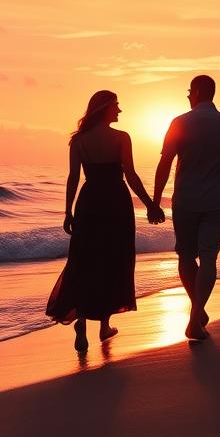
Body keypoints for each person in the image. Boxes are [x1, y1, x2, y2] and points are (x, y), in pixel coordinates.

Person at [46, 89, 165, 352]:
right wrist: (150, 205)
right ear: (106, 109)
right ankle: (103, 325)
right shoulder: (121, 138)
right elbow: (131, 175)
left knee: (85, 260)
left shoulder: (79, 141)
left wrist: (68, 211)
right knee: (113, 259)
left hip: (89, 203)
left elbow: (73, 178)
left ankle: (81, 320)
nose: (120, 111)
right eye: (117, 106)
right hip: (115, 203)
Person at [153, 74, 220, 341]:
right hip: (218, 201)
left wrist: (156, 200)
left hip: (186, 201)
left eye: (188, 92)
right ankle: (197, 315)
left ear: (195, 92)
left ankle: (196, 315)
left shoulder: (180, 122)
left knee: (185, 256)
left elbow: (165, 163)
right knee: (208, 258)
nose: (187, 96)